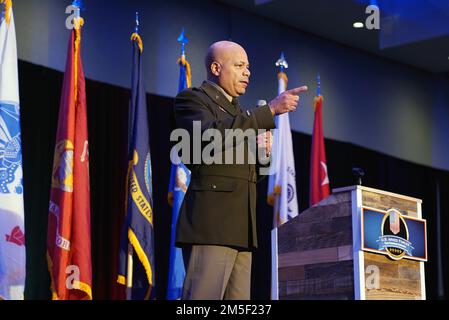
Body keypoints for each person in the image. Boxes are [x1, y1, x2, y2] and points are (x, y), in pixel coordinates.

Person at [174, 40, 307, 300]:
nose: (247, 72)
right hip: (211, 226)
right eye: (239, 65)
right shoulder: (193, 99)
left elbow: (248, 173)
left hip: (242, 229)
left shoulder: (240, 114)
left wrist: (262, 155)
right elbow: (208, 139)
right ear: (215, 68)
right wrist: (268, 111)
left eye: (248, 67)